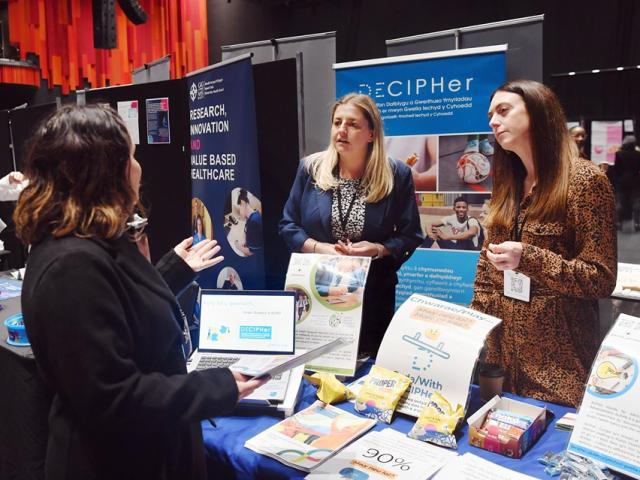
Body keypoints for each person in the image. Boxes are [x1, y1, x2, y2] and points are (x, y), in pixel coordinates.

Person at [14, 105, 265, 479]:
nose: (139, 167)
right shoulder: (69, 266)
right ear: (103, 171)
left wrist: (173, 270)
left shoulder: (95, 241)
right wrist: (216, 387)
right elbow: (112, 397)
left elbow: (120, 312)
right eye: (131, 156)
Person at [470, 80, 617, 407]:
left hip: (558, 369)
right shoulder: (508, 183)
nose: (493, 121)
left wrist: (530, 258)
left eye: (504, 111)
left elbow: (601, 278)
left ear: (537, 113)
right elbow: (486, 266)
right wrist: (471, 330)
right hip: (502, 363)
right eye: (491, 114)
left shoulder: (585, 181)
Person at [279, 93, 424, 355]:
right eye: (337, 123)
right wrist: (319, 248)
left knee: (365, 369)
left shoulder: (397, 174)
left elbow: (411, 235)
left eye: (353, 124)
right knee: (315, 364)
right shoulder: (310, 169)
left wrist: (378, 249)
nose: (342, 131)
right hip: (317, 290)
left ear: (371, 134)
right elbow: (288, 226)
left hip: (373, 295)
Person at [612, 135, 640, 231]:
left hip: (622, 181)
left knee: (620, 203)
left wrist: (616, 180)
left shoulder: (619, 154)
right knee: (636, 202)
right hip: (635, 181)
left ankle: (618, 222)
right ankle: (637, 223)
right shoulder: (638, 154)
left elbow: (616, 169)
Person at [234, 188, 263, 256]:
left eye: (239, 209)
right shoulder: (254, 216)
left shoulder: (253, 222)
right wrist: (247, 242)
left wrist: (237, 246)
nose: (240, 213)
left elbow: (251, 252)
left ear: (243, 203)